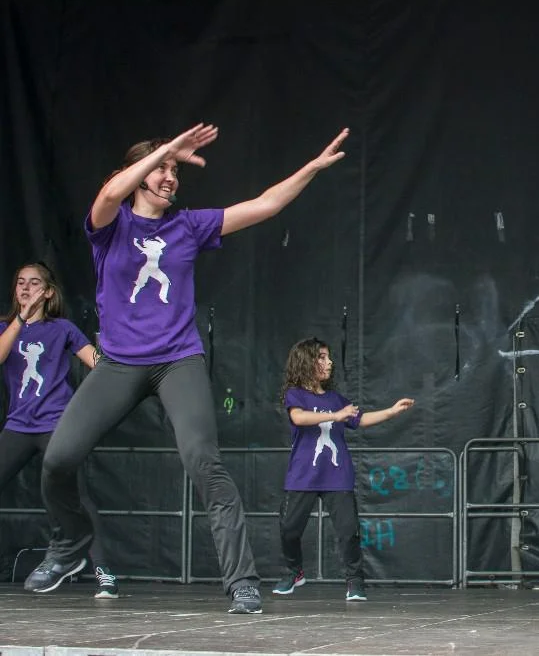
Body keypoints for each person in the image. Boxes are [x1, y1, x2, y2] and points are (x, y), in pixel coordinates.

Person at [27, 123, 350, 614]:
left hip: (177, 359)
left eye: (175, 170)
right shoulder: (111, 225)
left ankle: (242, 582)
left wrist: (312, 168)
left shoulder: (187, 226)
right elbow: (110, 193)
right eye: (161, 168)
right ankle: (70, 545)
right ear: (136, 175)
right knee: (57, 460)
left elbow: (265, 205)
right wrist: (167, 150)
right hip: (118, 363)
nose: (170, 177)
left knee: (204, 462)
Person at [0, 262, 120, 598]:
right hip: (18, 425)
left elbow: (98, 363)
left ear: (49, 292)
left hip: (56, 423)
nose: (26, 288)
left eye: (34, 283)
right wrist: (20, 319)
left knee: (76, 495)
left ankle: (103, 570)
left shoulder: (62, 328)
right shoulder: (6, 327)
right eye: (20, 282)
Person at [272, 337, 414, 601]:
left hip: (337, 475)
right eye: (322, 357)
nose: (329, 362)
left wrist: (392, 412)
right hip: (303, 475)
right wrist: (335, 416)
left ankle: (355, 581)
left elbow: (361, 419)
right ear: (306, 361)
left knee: (348, 532)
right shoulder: (295, 394)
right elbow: (298, 417)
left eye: (329, 357)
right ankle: (294, 572)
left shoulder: (336, 399)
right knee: (289, 528)